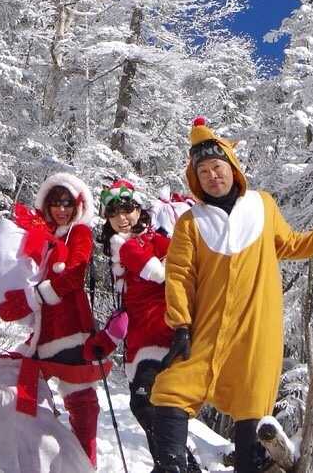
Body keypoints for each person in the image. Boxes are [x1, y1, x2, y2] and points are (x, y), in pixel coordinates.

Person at [145, 118, 313, 473]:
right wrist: (181, 324)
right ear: (195, 179)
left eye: (218, 167)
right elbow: (179, 275)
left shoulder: (262, 205)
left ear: (232, 168)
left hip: (257, 328)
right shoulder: (191, 221)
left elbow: (287, 243)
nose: (212, 176)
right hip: (208, 327)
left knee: (253, 402)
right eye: (203, 172)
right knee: (172, 388)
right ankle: (171, 466)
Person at [0, 172, 102, 466]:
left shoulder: (79, 233)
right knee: (22, 390)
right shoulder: (42, 235)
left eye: (68, 203)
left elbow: (75, 274)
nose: (62, 209)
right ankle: (30, 457)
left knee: (80, 400)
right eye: (55, 203)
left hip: (71, 327)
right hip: (43, 330)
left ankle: (86, 464)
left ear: (78, 205)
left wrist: (37, 295)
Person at [98, 179, 200, 473]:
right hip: (139, 338)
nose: (122, 218)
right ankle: (172, 464)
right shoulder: (119, 249)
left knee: (146, 402)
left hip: (160, 332)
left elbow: (171, 272)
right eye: (113, 213)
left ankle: (176, 465)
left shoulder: (146, 242)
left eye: (127, 209)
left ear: (139, 209)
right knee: (144, 404)